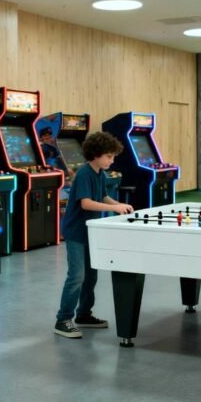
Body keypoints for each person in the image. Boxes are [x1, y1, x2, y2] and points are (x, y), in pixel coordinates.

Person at [54, 132, 134, 339]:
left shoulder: (99, 173)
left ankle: (84, 315)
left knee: (91, 276)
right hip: (76, 232)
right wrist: (116, 210)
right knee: (77, 276)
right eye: (109, 156)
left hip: (90, 230)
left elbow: (103, 196)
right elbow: (86, 203)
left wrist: (120, 205)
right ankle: (63, 319)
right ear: (96, 154)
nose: (112, 160)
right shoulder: (84, 174)